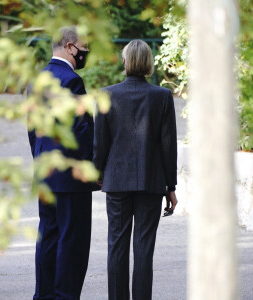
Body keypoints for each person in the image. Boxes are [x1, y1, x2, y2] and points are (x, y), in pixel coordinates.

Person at [93, 39, 178, 300]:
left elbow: (100, 142)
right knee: (144, 250)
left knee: (116, 247)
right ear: (149, 64)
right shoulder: (162, 97)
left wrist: (98, 175)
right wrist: (171, 187)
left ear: (126, 62)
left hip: (117, 182)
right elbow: (168, 146)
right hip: (151, 184)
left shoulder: (106, 95)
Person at [28, 26, 100, 300]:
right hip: (71, 178)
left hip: (46, 173)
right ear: (70, 46)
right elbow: (81, 132)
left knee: (48, 238)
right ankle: (65, 296)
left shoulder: (36, 80)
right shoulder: (72, 81)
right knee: (73, 242)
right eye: (84, 48)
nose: (86, 53)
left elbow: (32, 131)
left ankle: (44, 295)